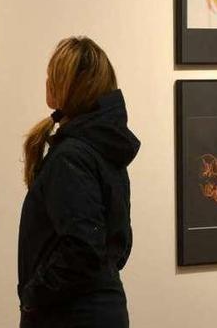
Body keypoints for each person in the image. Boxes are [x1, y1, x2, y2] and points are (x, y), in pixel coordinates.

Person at [17, 37, 140, 328]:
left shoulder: (72, 155)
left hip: (71, 315)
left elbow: (83, 248)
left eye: (52, 75)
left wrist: (33, 295)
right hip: (98, 309)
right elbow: (116, 243)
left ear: (64, 87)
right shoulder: (101, 145)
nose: (46, 81)